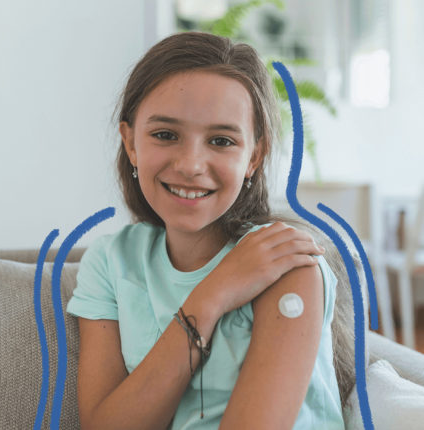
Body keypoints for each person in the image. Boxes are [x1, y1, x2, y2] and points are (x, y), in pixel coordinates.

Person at [66, 31, 357, 429]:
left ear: (254, 156)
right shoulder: (109, 261)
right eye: (165, 135)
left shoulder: (287, 263)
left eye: (221, 140)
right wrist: (213, 294)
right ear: (130, 143)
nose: (190, 164)